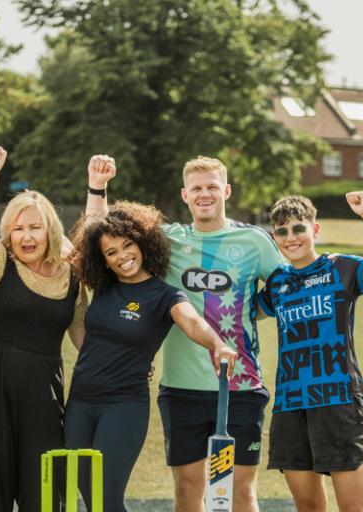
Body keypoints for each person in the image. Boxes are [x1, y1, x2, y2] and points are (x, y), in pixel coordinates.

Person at [86, 155, 285, 512]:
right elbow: (102, 234)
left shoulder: (254, 241)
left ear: (226, 190)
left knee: (239, 493)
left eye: (212, 187)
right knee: (189, 491)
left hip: (240, 387)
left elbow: (287, 289)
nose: (204, 194)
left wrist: (253, 309)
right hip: (181, 389)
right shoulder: (167, 240)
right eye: (197, 188)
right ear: (185, 194)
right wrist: (97, 186)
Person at [67, 195, 238, 512]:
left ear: (142, 243)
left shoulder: (164, 295)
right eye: (111, 252)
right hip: (79, 401)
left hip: (123, 406)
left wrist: (217, 344)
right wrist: (97, 186)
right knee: (88, 493)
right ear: (104, 260)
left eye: (127, 245)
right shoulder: (103, 287)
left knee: (105, 497)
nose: (122, 257)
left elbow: (191, 321)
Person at [259, 193, 363, 512]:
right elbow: (238, 312)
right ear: (274, 238)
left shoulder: (342, 269)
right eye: (281, 232)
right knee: (308, 507)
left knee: (354, 507)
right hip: (290, 405)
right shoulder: (277, 283)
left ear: (315, 230)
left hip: (338, 402)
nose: (290, 238)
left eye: (298, 229)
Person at [0, 147, 86, 512]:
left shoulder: (73, 277)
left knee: (46, 496)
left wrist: (120, 367)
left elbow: (82, 337)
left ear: (50, 230)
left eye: (34, 227)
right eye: (18, 228)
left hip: (44, 393)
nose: (26, 236)